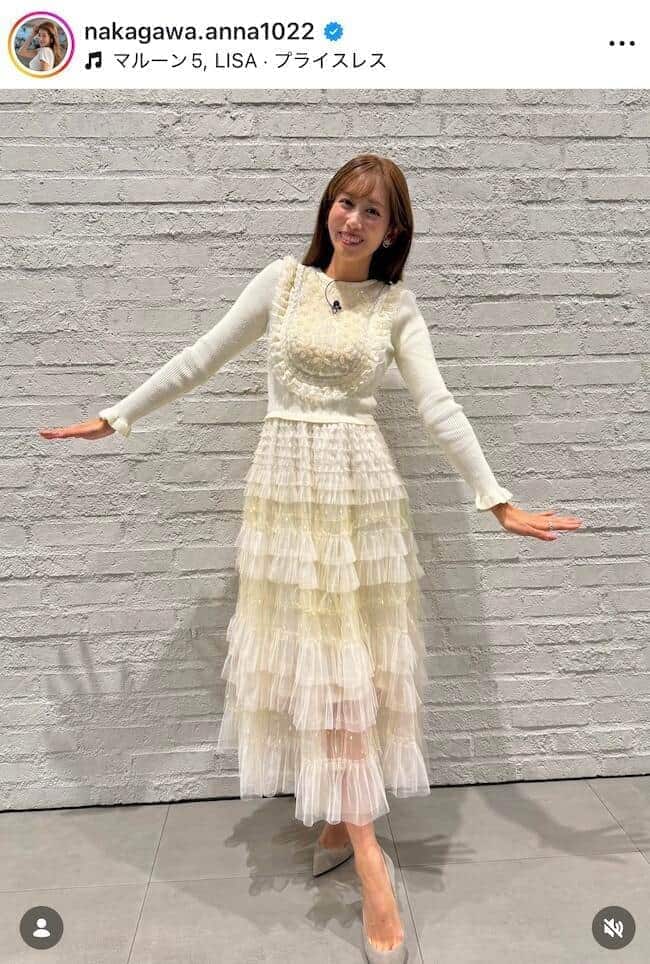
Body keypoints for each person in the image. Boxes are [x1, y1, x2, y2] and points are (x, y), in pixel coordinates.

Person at [39, 154, 583, 960]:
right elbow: (201, 358)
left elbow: (437, 405)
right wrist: (116, 417)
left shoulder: (395, 306)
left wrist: (496, 500)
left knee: (349, 666)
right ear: (328, 207)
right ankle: (346, 826)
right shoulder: (282, 283)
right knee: (318, 663)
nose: (353, 220)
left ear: (392, 231)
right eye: (344, 202)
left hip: (360, 496)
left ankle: (365, 856)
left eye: (372, 211)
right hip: (286, 494)